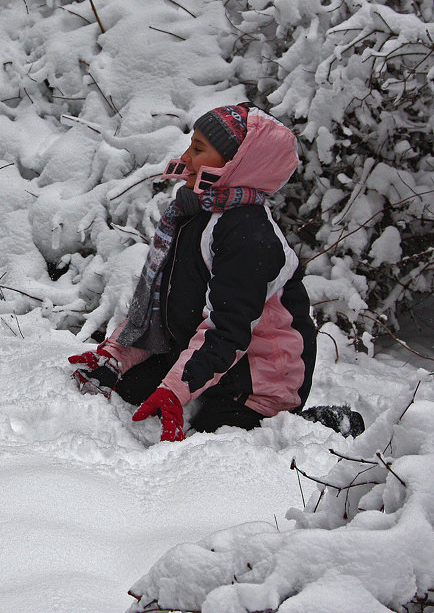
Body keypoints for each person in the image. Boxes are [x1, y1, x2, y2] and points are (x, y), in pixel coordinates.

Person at [69, 104, 320, 441]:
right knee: (126, 389)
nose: (185, 158)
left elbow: (228, 330)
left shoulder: (249, 235)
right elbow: (160, 305)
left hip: (260, 378)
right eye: (190, 145)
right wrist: (115, 356)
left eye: (198, 149)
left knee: (213, 440)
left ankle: (325, 425)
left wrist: (176, 389)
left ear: (237, 164)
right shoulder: (193, 216)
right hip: (213, 357)